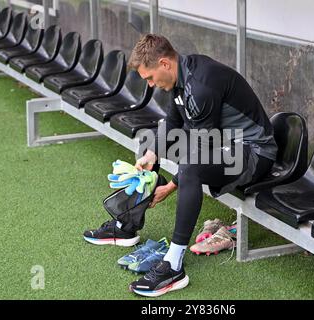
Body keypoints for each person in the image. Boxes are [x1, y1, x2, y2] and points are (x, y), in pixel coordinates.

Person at [85, 34, 277, 297]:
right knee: (149, 144)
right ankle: (125, 226)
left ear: (164, 63)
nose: (150, 85)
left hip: (255, 152)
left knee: (190, 167)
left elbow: (202, 149)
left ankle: (174, 265)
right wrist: (151, 155)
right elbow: (172, 123)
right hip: (227, 146)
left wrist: (172, 186)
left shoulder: (201, 85)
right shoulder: (179, 77)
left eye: (150, 78)